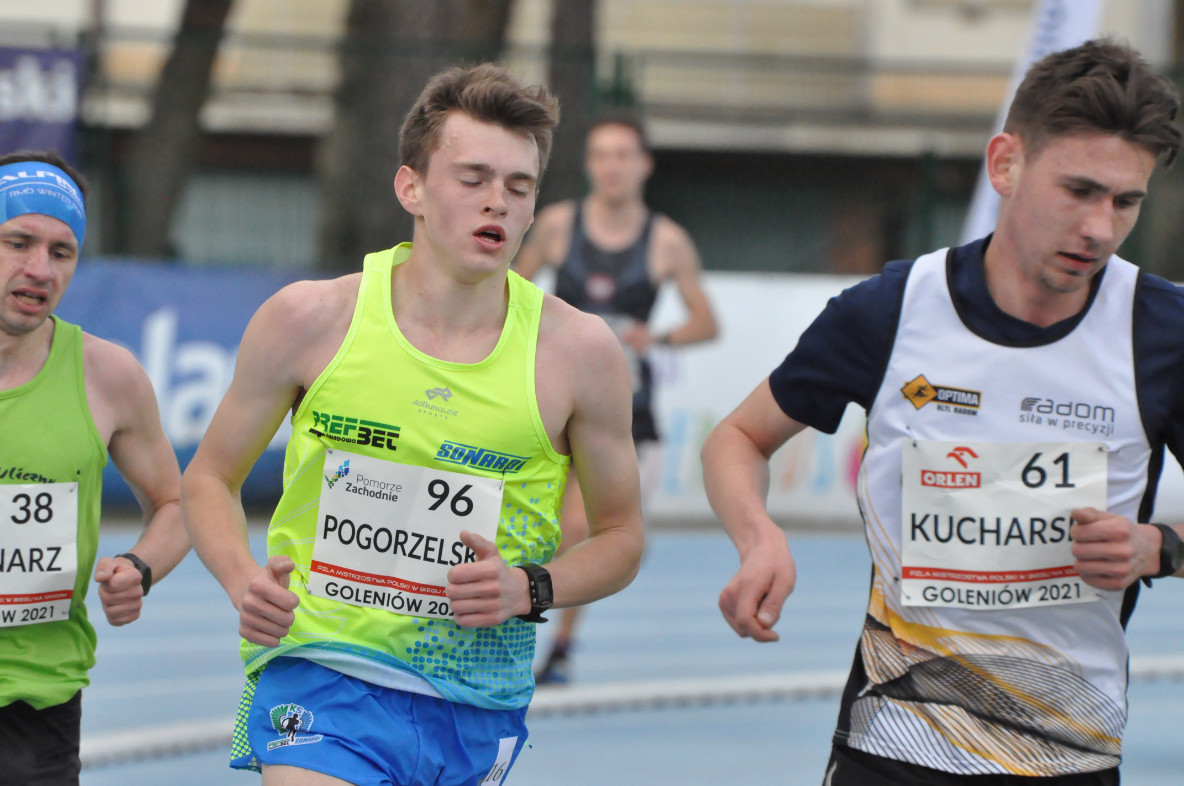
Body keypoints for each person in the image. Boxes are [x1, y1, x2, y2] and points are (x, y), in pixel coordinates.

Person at [701, 38, 1184, 785]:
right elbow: (737, 437)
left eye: (1125, 202)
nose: (1100, 227)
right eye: (1079, 190)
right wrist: (758, 536)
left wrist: (1161, 548)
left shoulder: (1160, 332)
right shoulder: (889, 311)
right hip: (892, 747)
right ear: (1006, 164)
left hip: (1064, 758)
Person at [181, 64, 644, 786]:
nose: (496, 202)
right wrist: (243, 580)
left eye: (518, 187)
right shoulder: (310, 319)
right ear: (412, 189)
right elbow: (210, 476)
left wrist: (529, 588)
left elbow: (621, 537)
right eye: (472, 178)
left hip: (473, 700)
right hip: (322, 674)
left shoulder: (579, 353)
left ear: (533, 209)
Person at [0, 150, 189, 784]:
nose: (39, 269)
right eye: (18, 242)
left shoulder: (107, 375)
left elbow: (177, 504)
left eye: (62, 251)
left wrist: (139, 566)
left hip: (37, 708)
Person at [514, 113, 717, 683]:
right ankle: (511, 620)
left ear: (644, 165)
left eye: (623, 155)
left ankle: (560, 644)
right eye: (602, 154)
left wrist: (657, 337)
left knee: (584, 528)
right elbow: (508, 292)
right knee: (538, 522)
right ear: (589, 164)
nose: (612, 166)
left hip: (621, 405)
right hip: (550, 397)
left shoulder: (667, 240)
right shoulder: (558, 226)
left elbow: (705, 321)